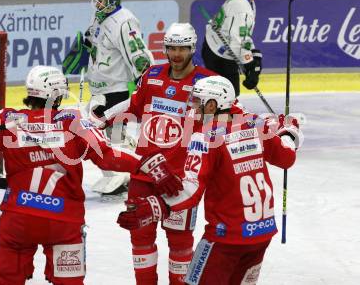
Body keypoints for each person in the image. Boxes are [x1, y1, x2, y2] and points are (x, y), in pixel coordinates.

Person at [0, 65, 178, 285]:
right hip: (63, 222)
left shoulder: (9, 119)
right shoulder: (73, 121)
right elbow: (109, 155)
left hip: (19, 219)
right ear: (57, 94)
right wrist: (148, 164)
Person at [117, 76, 304, 285]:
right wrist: (289, 131)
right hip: (262, 233)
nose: (192, 107)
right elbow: (287, 158)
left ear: (213, 105)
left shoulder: (205, 137)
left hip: (225, 238)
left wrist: (154, 207)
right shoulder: (255, 124)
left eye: (197, 101)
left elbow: (190, 190)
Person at [94, 22, 224, 285]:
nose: (176, 55)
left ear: (192, 48)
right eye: (171, 48)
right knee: (139, 238)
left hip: (180, 181)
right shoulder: (152, 74)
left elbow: (228, 113)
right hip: (143, 175)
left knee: (180, 243)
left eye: (182, 49)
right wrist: (104, 118)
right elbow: (133, 105)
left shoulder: (207, 82)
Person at [85, 0, 154, 195]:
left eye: (102, 1)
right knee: (107, 133)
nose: (98, 5)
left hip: (116, 88)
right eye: (96, 1)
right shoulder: (100, 17)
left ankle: (128, 171)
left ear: (113, 1)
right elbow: (93, 38)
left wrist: (144, 80)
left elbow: (138, 54)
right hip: (99, 87)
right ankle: (126, 167)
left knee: (107, 131)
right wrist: (84, 44)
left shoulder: (125, 22)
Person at [202, 0, 269, 96]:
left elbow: (243, 36)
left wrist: (252, 55)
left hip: (220, 48)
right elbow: (236, 44)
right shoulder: (241, 8)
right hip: (217, 54)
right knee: (225, 96)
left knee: (230, 96)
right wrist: (249, 64)